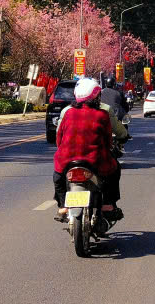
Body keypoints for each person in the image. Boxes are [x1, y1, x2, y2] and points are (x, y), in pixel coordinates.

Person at [54, 78, 122, 221]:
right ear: (96, 97)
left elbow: (59, 139)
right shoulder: (102, 114)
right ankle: (108, 204)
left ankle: (62, 206)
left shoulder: (68, 113)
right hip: (95, 161)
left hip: (67, 160)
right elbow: (108, 140)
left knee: (58, 176)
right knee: (115, 170)